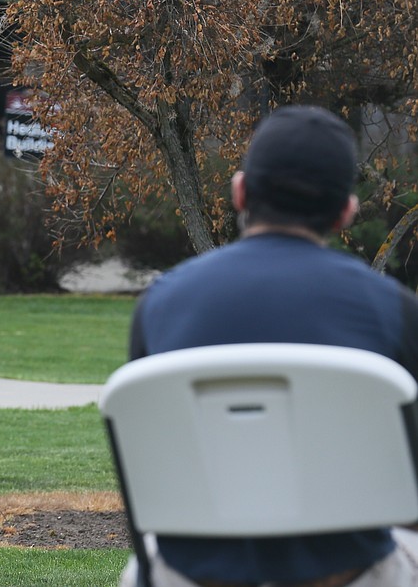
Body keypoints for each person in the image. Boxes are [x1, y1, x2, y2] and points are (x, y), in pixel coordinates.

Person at [125, 104, 418, 587]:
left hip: (194, 574)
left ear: (240, 192)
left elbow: (148, 476)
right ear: (346, 210)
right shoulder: (394, 311)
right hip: (350, 571)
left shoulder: (159, 306)